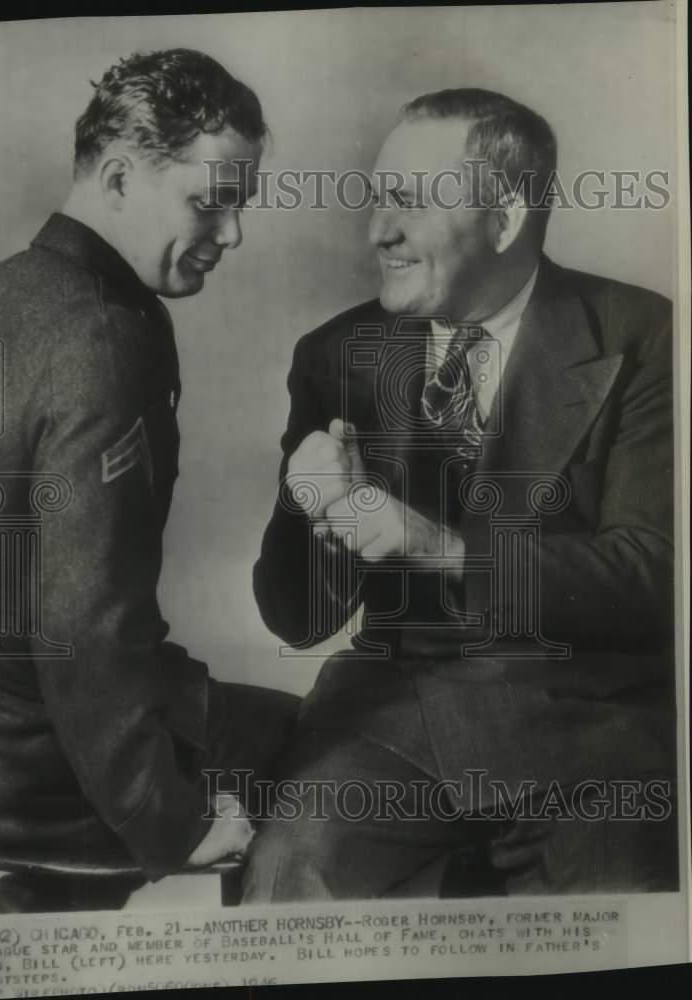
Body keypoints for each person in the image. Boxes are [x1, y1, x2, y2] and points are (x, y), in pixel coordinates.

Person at [245, 89, 677, 901]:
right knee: (282, 891)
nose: (377, 231)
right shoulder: (336, 354)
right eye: (377, 201)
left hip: (592, 725)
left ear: (505, 217)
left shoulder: (645, 335)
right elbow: (292, 618)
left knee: (623, 923)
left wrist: (436, 546)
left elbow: (658, 580)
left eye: (407, 202)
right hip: (390, 719)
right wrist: (316, 515)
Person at [0, 48, 298, 910]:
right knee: (319, 746)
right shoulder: (107, 337)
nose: (234, 233)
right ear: (119, 176)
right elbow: (86, 621)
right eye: (210, 200)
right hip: (41, 762)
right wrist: (167, 822)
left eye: (241, 205)